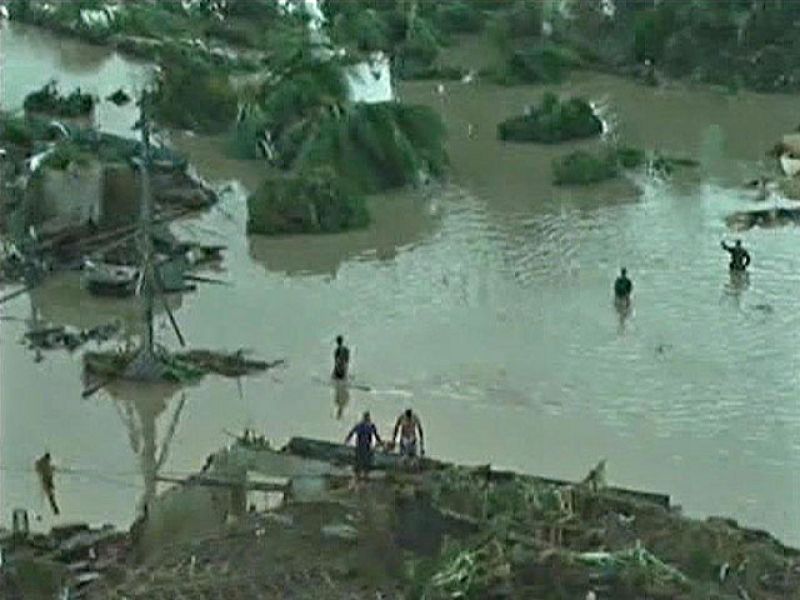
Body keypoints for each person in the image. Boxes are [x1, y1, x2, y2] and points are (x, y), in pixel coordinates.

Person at [345, 411, 382, 481]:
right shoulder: (369, 426)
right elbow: (377, 437)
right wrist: (380, 443)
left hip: (362, 448)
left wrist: (347, 440)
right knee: (364, 467)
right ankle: (362, 478)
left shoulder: (362, 426)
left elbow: (351, 433)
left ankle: (358, 478)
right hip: (363, 449)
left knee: (360, 466)